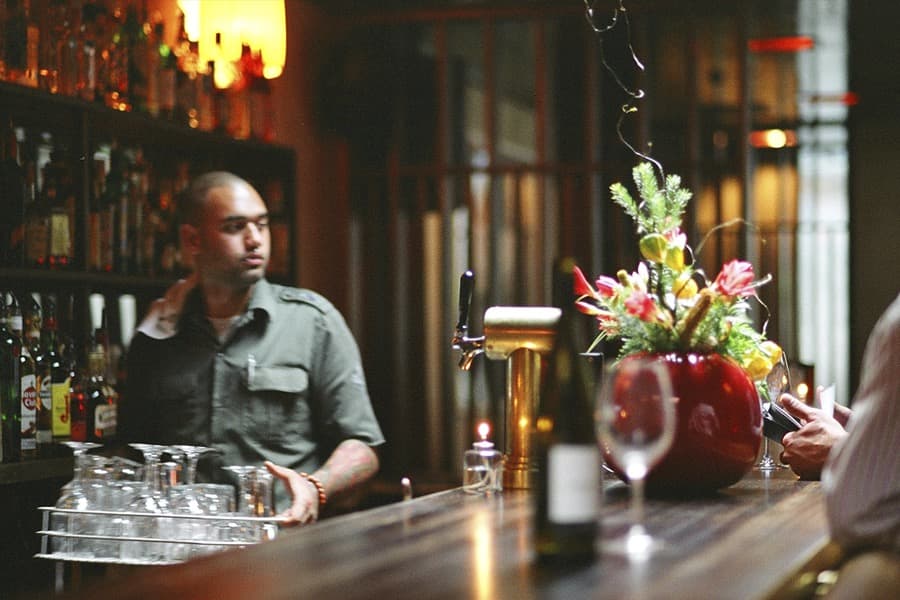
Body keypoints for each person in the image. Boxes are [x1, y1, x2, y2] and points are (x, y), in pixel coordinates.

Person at [120, 171, 385, 526]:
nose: (255, 239)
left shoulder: (311, 322)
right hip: (184, 550)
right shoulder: (158, 335)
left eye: (262, 225)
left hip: (282, 546)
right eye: (235, 227)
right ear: (192, 240)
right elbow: (130, 449)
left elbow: (362, 446)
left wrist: (314, 488)